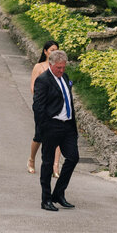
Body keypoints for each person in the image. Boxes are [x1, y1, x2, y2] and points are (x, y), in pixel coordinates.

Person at [33, 49, 78, 211]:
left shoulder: (64, 77)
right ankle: (46, 199)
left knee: (73, 158)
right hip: (51, 126)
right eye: (58, 68)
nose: (61, 70)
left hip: (67, 126)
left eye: (63, 67)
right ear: (51, 65)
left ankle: (58, 193)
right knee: (48, 163)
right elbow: (38, 107)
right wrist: (42, 128)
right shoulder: (43, 80)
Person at [28, 40, 61, 174]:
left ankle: (55, 166)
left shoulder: (59, 67)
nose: (54, 52)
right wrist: (41, 101)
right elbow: (33, 87)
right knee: (39, 135)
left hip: (57, 106)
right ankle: (31, 159)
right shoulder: (39, 66)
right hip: (42, 106)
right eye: (52, 50)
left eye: (56, 50)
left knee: (58, 135)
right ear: (45, 51)